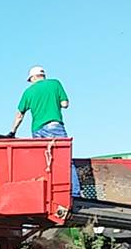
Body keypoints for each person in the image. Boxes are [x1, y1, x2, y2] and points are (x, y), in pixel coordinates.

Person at [9, 65, 81, 196]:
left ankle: (46, 194)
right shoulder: (55, 83)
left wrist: (12, 132)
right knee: (65, 160)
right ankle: (74, 193)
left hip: (37, 130)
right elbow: (65, 104)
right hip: (54, 126)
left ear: (33, 77)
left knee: (43, 162)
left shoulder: (28, 92)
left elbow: (20, 115)